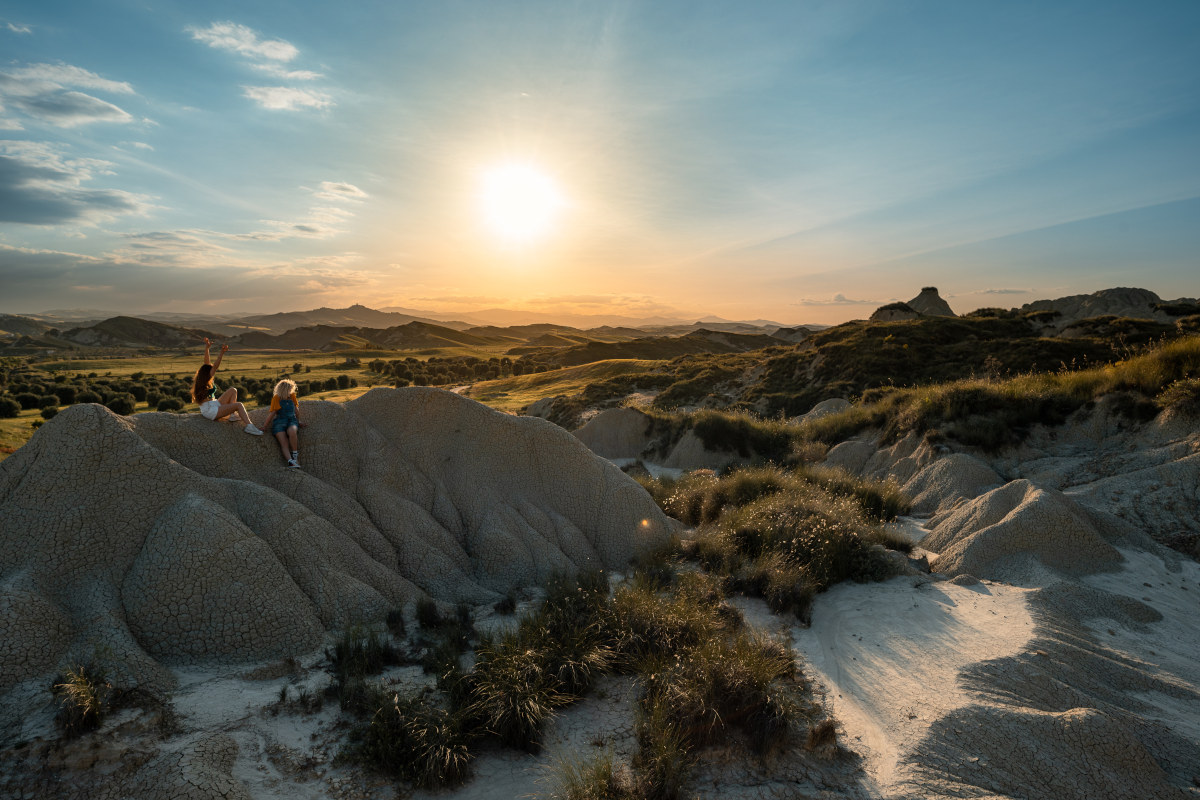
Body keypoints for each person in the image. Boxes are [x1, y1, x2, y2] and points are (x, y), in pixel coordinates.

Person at [191, 338, 263, 435]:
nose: (213, 370)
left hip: (214, 404)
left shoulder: (203, 378)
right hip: (210, 410)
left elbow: (206, 363)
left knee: (233, 390)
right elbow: (215, 366)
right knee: (239, 405)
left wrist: (207, 348)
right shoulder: (204, 382)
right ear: (208, 373)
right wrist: (221, 353)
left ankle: (233, 415)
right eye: (211, 370)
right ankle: (249, 426)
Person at [263, 378, 305, 468]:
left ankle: (295, 455)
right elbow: (273, 413)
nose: (292, 391)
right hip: (279, 422)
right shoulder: (276, 398)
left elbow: (296, 410)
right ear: (285, 390)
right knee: (284, 443)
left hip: (291, 420)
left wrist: (299, 421)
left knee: (292, 431)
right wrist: (265, 426)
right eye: (290, 389)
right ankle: (290, 462)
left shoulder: (292, 396)